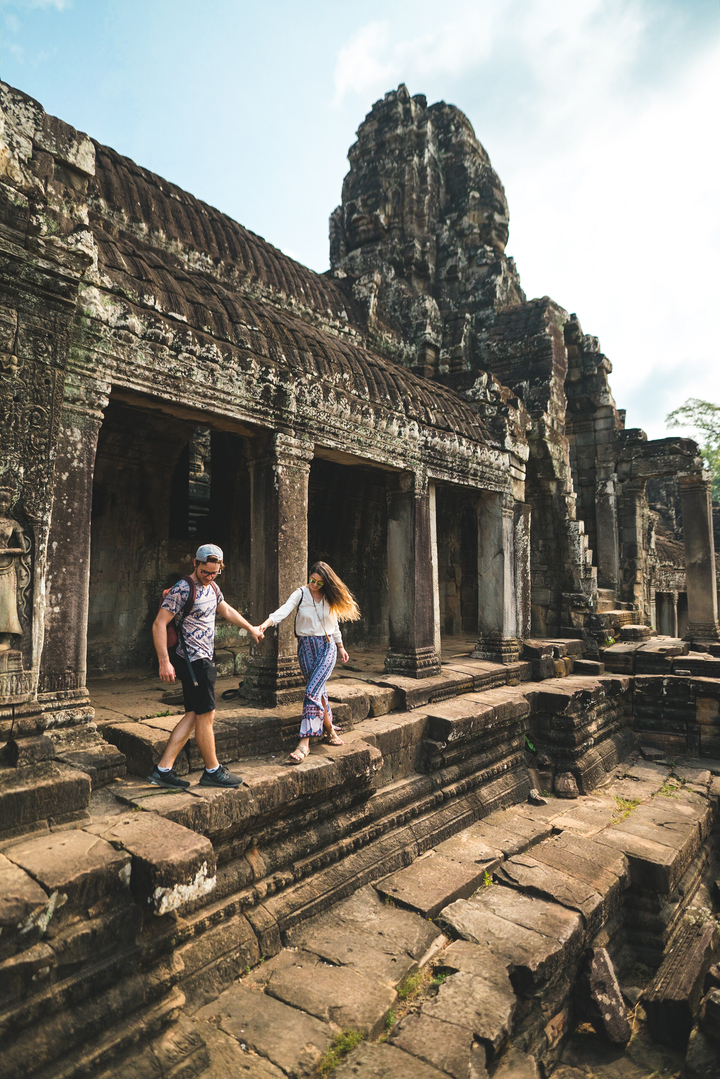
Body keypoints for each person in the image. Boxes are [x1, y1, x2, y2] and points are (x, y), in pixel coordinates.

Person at [149, 543, 264, 789]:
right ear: (195, 563)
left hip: (203, 659)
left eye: (215, 573)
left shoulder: (212, 587)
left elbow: (226, 610)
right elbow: (159, 624)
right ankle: (212, 770)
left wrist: (250, 628)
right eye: (205, 572)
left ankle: (163, 769)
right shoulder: (183, 588)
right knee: (206, 715)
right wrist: (164, 661)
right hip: (193, 661)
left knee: (194, 714)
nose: (209, 576)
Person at [258, 561, 360, 764]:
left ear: (326, 583)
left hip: (327, 646)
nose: (314, 585)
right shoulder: (301, 593)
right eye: (312, 580)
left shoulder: (329, 597)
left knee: (311, 691)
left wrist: (341, 647)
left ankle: (304, 742)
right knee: (318, 691)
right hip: (305, 647)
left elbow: (334, 624)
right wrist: (265, 624)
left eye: (319, 582)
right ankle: (330, 731)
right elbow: (284, 610)